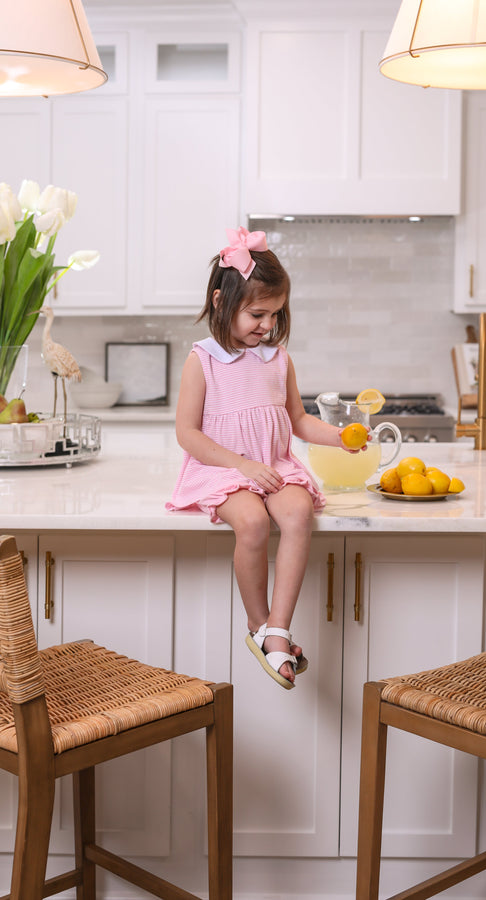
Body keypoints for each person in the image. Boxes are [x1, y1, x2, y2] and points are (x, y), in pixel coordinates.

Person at [167, 226, 363, 690]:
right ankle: (259, 625)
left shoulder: (278, 359)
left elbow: (298, 419)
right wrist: (241, 465)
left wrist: (339, 438)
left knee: (297, 513)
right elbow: (186, 433)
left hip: (274, 464)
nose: (267, 325)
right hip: (221, 469)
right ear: (220, 302)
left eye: (274, 315)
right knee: (253, 523)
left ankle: (278, 626)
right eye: (257, 314)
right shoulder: (203, 360)